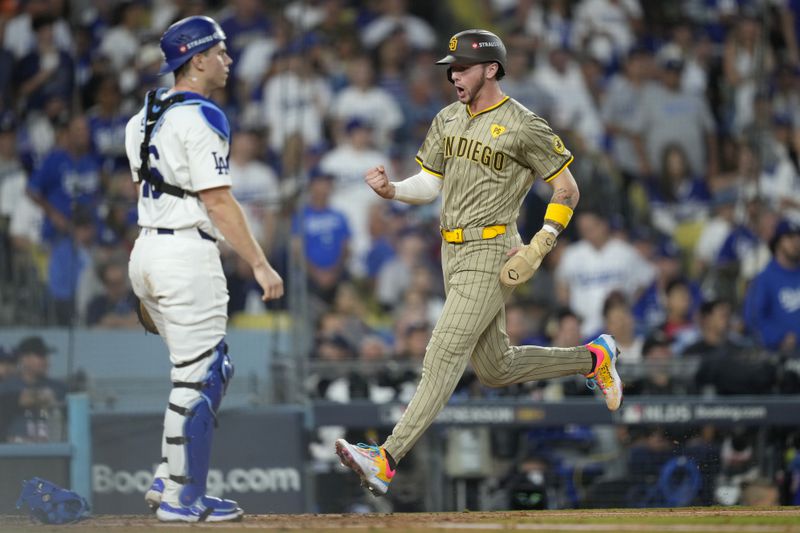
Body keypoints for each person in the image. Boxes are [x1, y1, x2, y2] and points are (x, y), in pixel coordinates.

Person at [334, 29, 623, 497]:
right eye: (451, 68)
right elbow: (429, 184)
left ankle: (385, 459)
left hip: (492, 250)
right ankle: (593, 358)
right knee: (495, 368)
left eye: (463, 67)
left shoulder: (524, 124)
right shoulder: (447, 117)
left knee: (443, 352)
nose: (454, 76)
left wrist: (540, 245)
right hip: (451, 250)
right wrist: (393, 191)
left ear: (491, 68)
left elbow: (567, 188)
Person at [124, 16, 283, 523]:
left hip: (147, 249)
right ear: (197, 59)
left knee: (204, 371)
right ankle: (181, 499)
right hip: (185, 254)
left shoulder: (141, 116)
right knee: (201, 376)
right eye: (220, 51)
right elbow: (216, 201)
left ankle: (169, 477)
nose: (228, 60)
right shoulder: (201, 117)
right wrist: (259, 263)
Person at [0, 336, 67, 443]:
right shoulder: (7, 386)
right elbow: (22, 398)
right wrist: (42, 397)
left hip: (52, 449)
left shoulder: (58, 386)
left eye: (46, 356)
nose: (46, 360)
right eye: (40, 356)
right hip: (13, 450)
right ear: (24, 359)